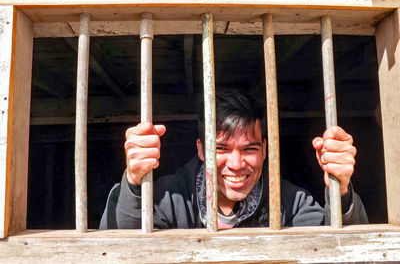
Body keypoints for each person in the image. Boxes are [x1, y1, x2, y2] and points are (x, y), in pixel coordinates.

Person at [100, 89, 368, 229]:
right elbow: (119, 250)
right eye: (222, 149)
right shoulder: (169, 198)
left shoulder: (290, 203)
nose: (237, 164)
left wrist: (341, 189)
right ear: (201, 150)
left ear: (265, 149)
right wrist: (134, 181)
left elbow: (347, 255)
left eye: (250, 149)